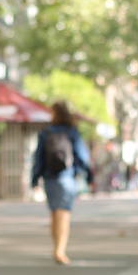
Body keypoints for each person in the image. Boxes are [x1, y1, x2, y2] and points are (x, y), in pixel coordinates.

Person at [30, 101, 93, 265]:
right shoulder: (72, 132)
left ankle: (57, 247)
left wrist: (35, 178)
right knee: (63, 214)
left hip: (49, 178)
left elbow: (38, 158)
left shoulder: (46, 132)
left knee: (54, 214)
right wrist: (87, 175)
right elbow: (82, 156)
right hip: (67, 177)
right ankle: (60, 249)